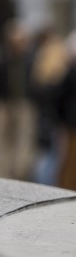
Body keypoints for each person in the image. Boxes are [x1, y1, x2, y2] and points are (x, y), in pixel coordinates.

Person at [0, 21, 33, 180]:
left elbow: (34, 82)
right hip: (2, 104)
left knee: (20, 140)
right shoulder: (2, 58)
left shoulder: (29, 59)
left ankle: (16, 174)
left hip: (22, 103)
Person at [29, 31, 68, 185]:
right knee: (52, 157)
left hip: (42, 118)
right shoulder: (59, 79)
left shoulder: (39, 74)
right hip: (54, 120)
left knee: (43, 154)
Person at [54, 32, 76, 190]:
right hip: (71, 123)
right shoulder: (71, 73)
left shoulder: (70, 72)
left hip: (69, 122)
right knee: (69, 160)